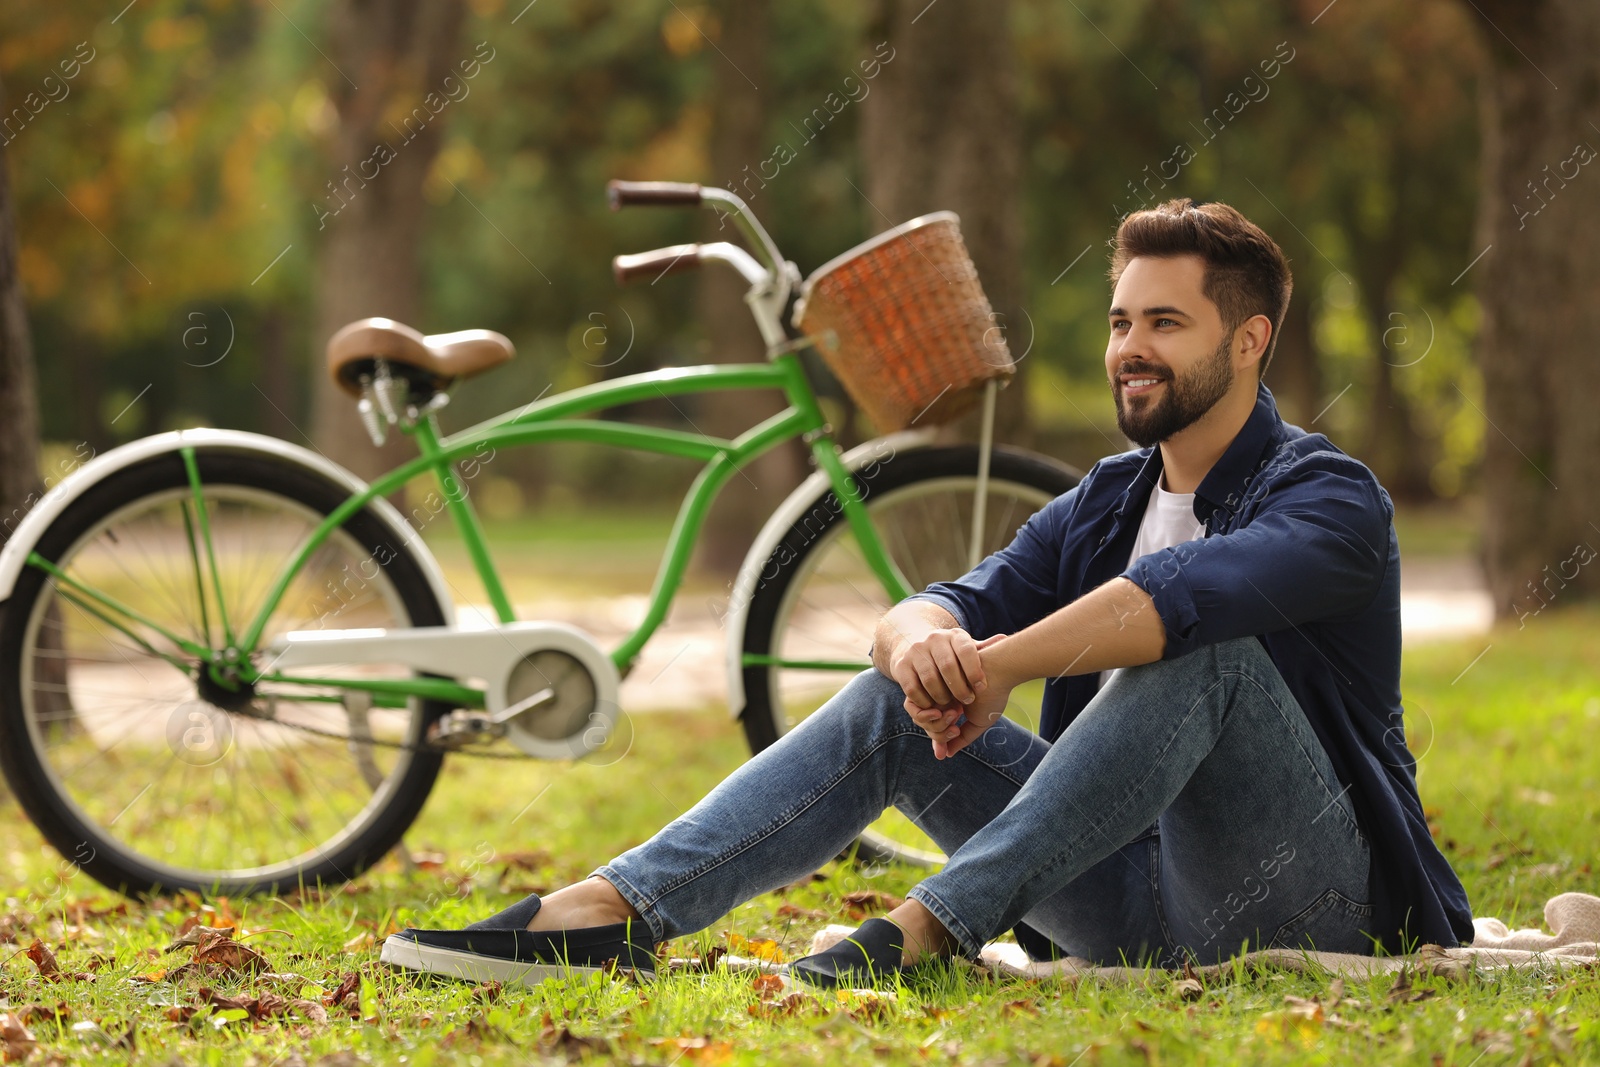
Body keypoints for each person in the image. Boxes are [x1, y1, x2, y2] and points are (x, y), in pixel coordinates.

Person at [381, 198, 1474, 988]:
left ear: (1248, 341)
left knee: (1202, 649)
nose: (1128, 350)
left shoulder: (1330, 496)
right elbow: (937, 599)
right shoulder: (1104, 498)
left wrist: (994, 665)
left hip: (1308, 894)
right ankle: (613, 910)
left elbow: (1173, 599)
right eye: (1118, 321)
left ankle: (926, 931)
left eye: (1164, 323)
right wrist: (926, 652)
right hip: (1133, 902)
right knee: (894, 696)